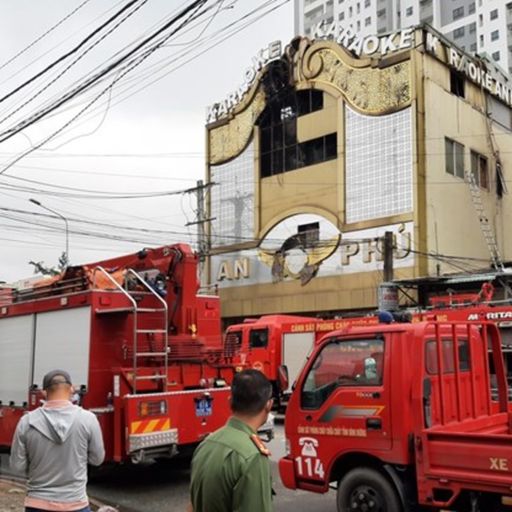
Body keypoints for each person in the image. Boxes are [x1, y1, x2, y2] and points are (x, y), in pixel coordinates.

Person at [10, 369, 105, 512]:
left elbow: (17, 467)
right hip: (76, 503)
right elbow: (97, 459)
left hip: (37, 504)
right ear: (71, 389)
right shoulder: (88, 419)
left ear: (43, 392)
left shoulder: (27, 422)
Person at [189, 369, 274, 512]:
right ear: (268, 405)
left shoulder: (206, 444)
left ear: (230, 401)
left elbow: (192, 505)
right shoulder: (252, 456)